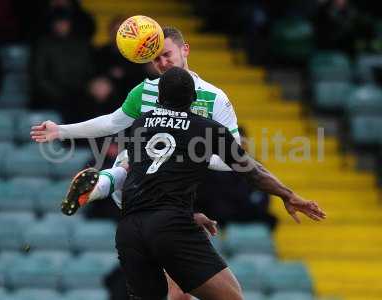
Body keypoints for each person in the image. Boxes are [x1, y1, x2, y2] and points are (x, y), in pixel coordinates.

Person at [75, 67, 326, 299]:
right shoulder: (207, 130)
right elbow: (250, 170)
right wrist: (287, 195)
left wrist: (189, 214)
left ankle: (100, 186)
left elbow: (146, 178)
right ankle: (99, 187)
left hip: (131, 228)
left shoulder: (140, 125)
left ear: (159, 98)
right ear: (193, 99)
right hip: (171, 226)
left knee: (173, 297)